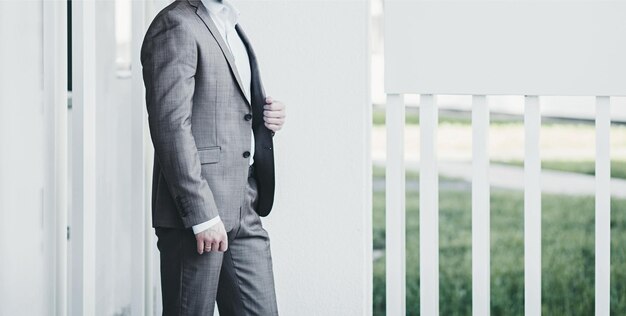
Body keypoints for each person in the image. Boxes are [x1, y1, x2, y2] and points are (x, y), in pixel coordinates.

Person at [140, 0, 286, 314]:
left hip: (244, 200)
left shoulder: (230, 22)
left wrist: (266, 117)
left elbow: (227, 106)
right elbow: (171, 125)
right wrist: (201, 215)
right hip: (197, 211)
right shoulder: (175, 24)